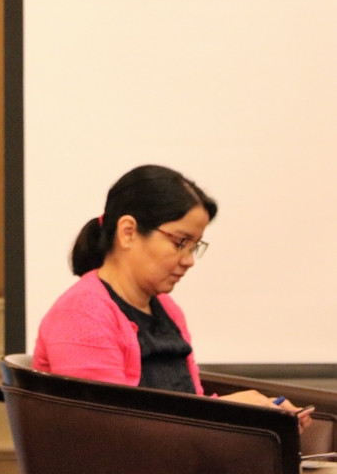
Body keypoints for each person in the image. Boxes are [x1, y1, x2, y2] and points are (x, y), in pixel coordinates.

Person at [32, 164, 313, 430]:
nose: (189, 260)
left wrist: (259, 417)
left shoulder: (167, 308)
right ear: (128, 232)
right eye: (180, 242)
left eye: (194, 246)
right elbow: (109, 430)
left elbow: (187, 407)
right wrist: (226, 412)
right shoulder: (82, 313)